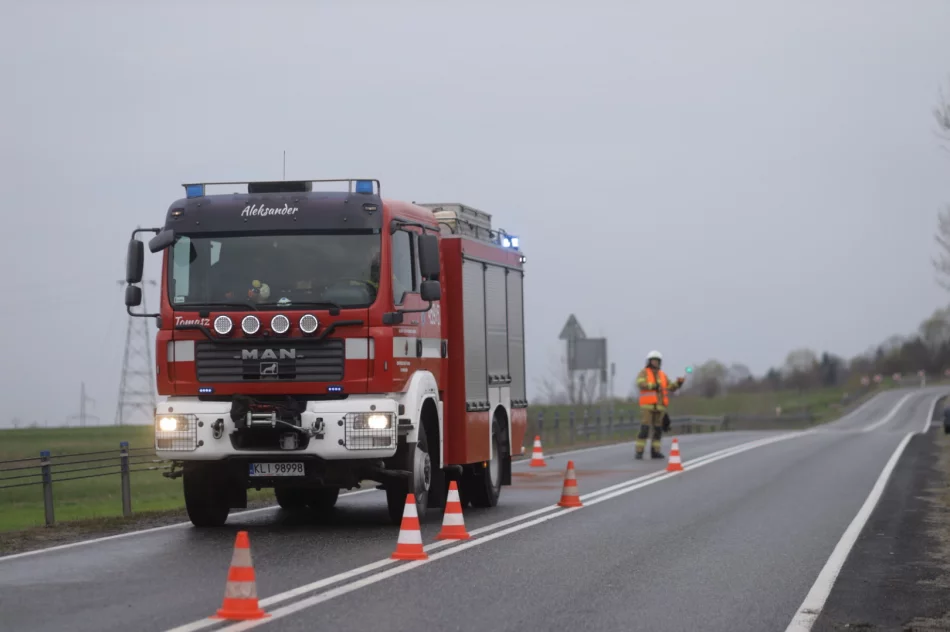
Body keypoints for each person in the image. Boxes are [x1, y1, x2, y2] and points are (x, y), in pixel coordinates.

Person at [635, 350, 686, 460]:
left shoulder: (662, 375)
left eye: (657, 361)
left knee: (658, 430)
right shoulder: (644, 372)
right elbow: (640, 383)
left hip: (659, 407)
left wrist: (678, 383)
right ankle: (639, 451)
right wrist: (653, 386)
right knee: (645, 429)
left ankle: (655, 451)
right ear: (649, 361)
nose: (656, 362)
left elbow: (671, 387)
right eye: (654, 360)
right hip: (647, 406)